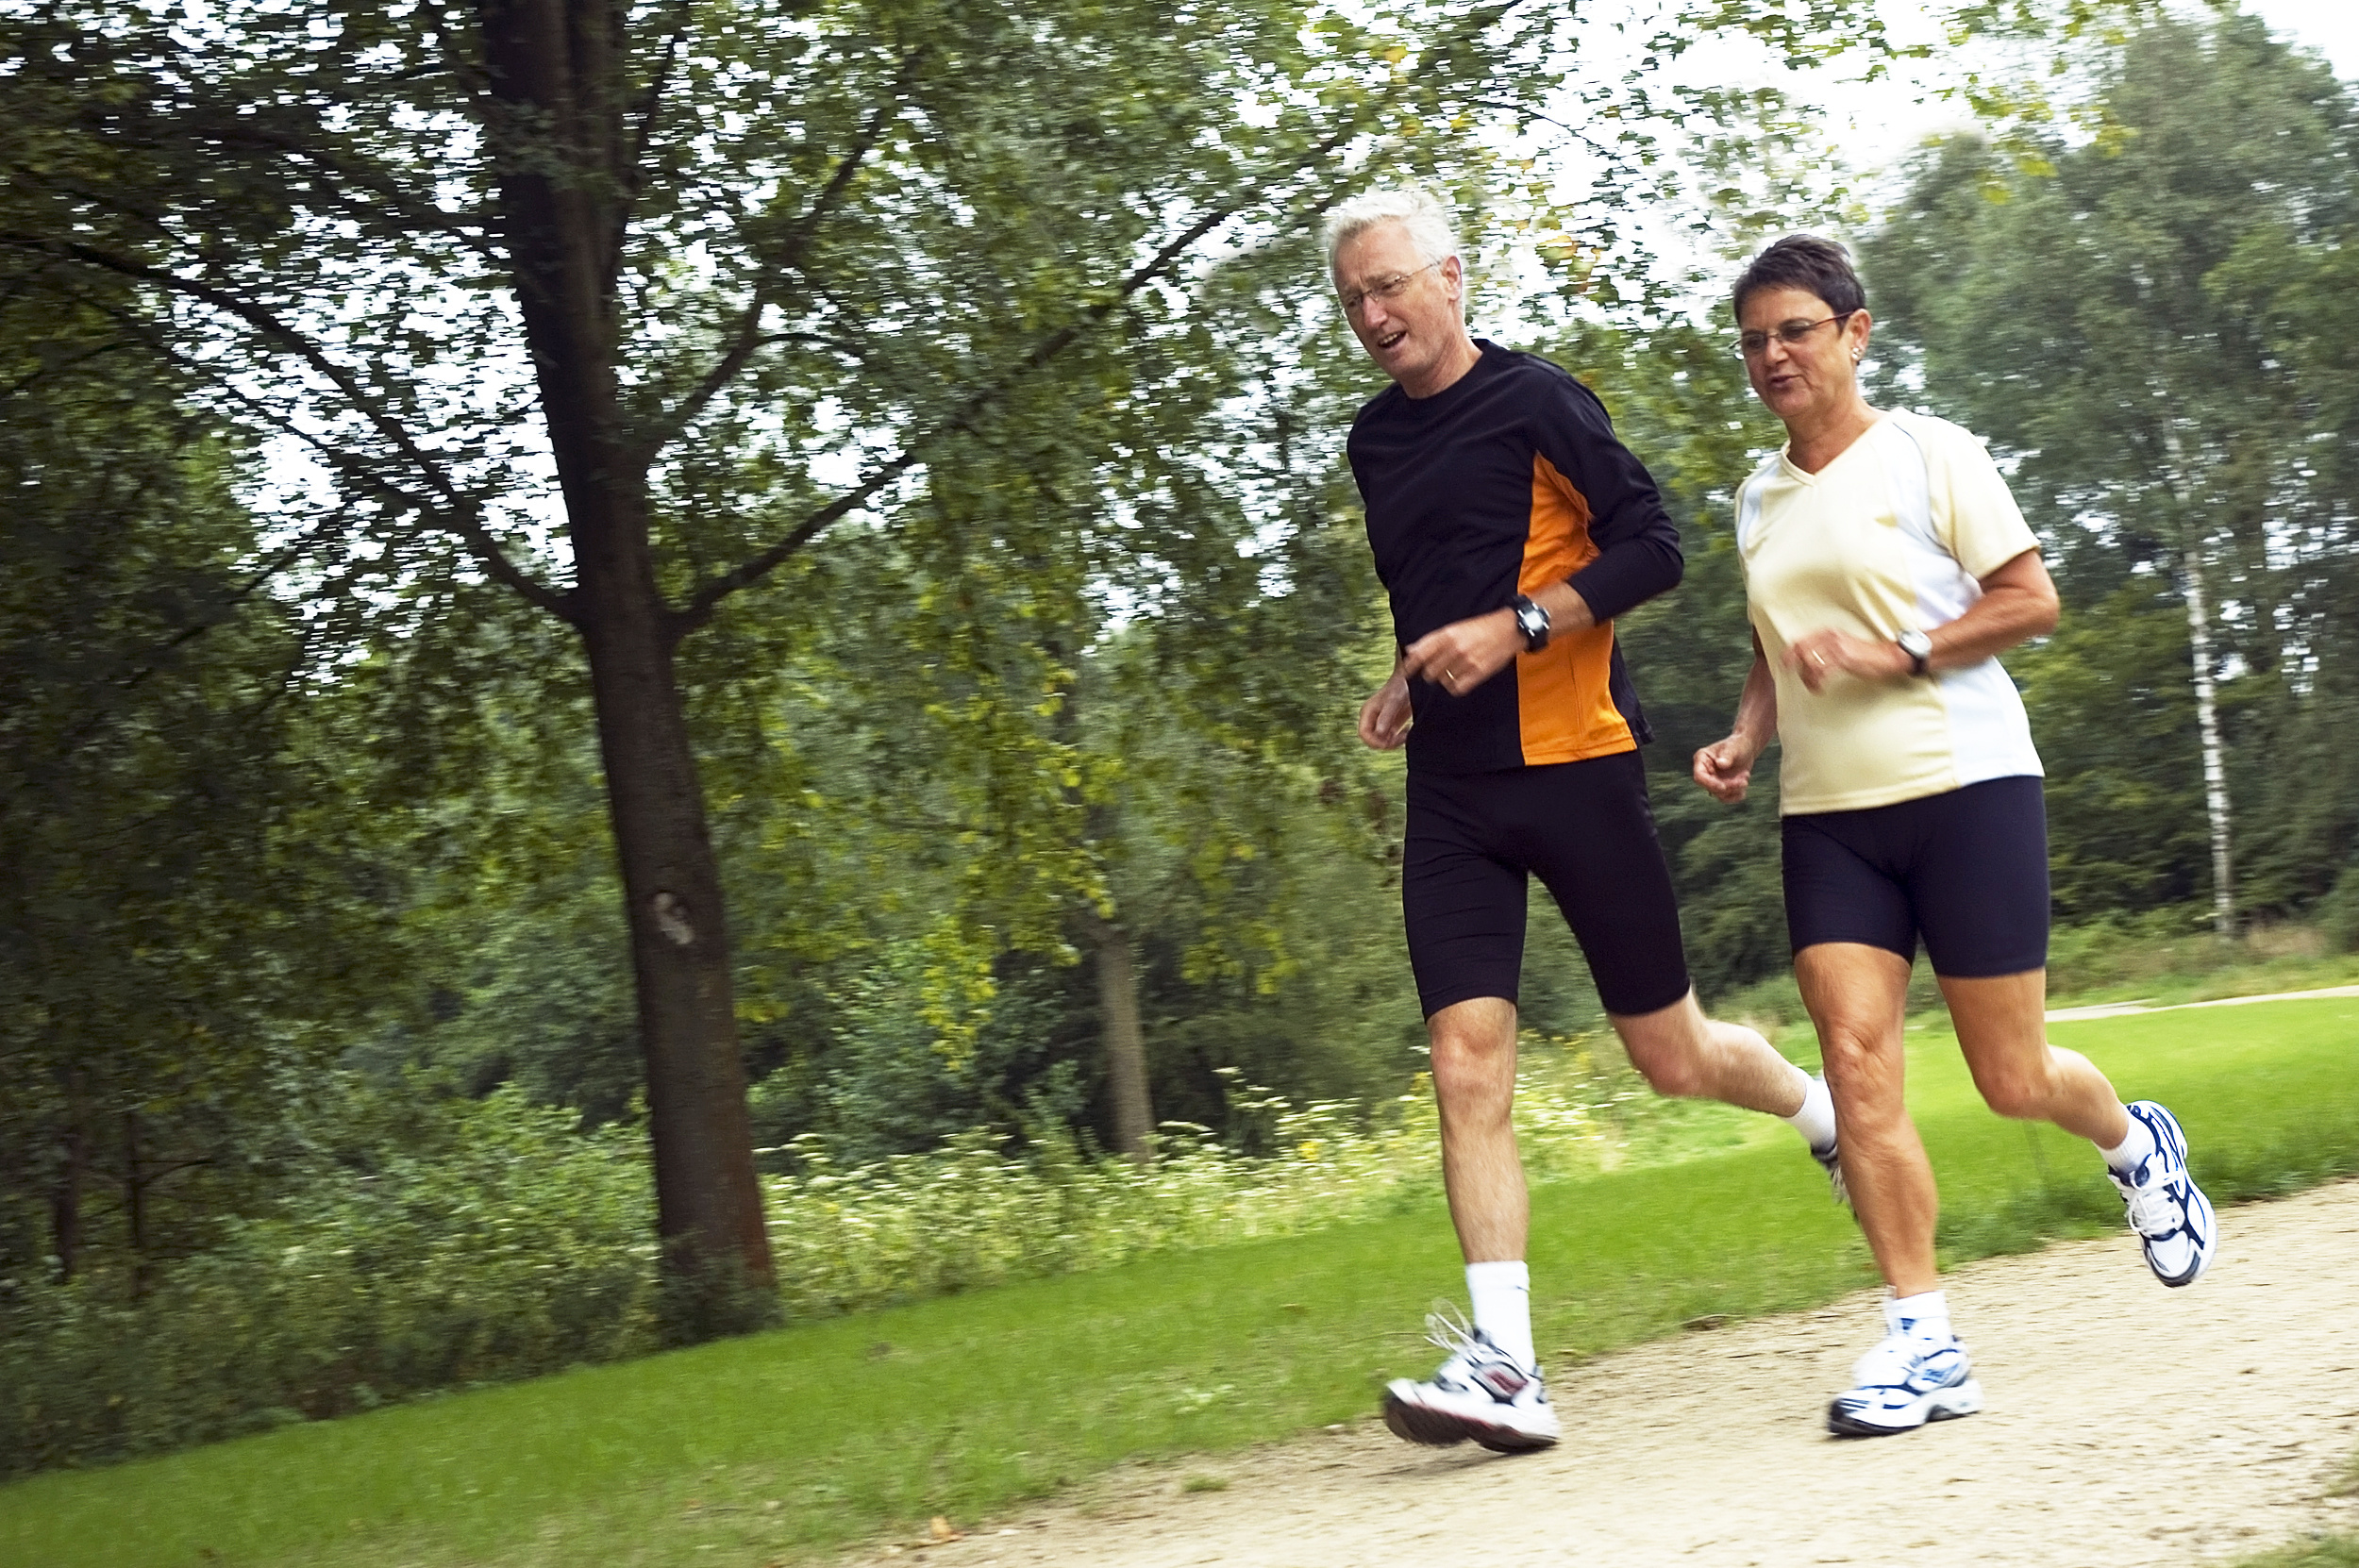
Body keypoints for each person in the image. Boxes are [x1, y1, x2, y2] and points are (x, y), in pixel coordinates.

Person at [1327, 187, 1843, 1455]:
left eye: (1392, 284)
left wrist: (1518, 627)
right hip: (1451, 792)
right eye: (1353, 299)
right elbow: (1437, 586)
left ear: (1451, 277)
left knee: (1668, 1057)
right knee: (1464, 1057)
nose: (1376, 313)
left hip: (1575, 766)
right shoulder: (1371, 442)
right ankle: (1507, 1365)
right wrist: (1406, 671)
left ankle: (1811, 1105)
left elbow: (1652, 546)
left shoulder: (1541, 401)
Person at [1692, 234, 2217, 1438]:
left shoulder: (1931, 453)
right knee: (1858, 1070)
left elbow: (2031, 598)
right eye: (1754, 339)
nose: (1772, 354)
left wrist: (1902, 654)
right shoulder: (1757, 496)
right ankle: (1924, 1343)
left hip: (1967, 788)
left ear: (1855, 332)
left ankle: (2136, 1144)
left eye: (1795, 331)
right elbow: (1778, 638)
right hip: (1828, 820)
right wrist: (1745, 734)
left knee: (2010, 1076)